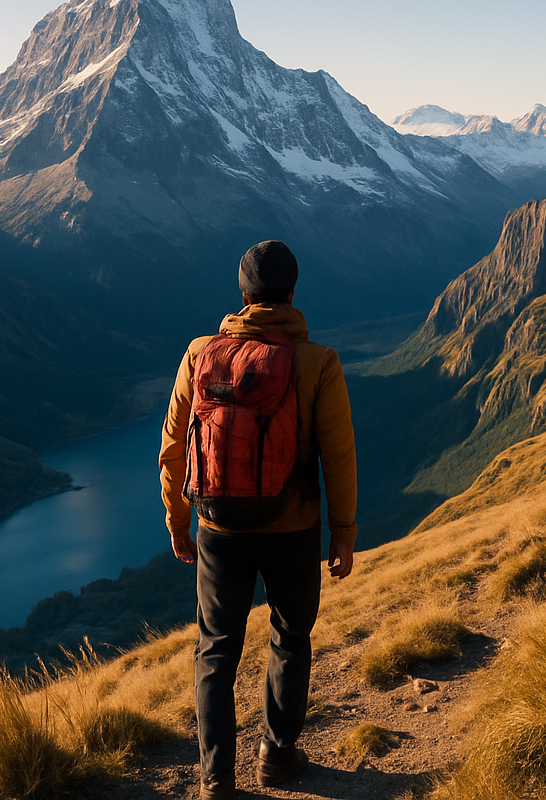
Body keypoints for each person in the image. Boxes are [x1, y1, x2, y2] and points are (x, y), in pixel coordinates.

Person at [159, 240, 357, 800]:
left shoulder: (199, 353)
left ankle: (216, 778)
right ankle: (277, 754)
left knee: (216, 646)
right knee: (290, 636)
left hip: (217, 527)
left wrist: (178, 519)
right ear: (292, 294)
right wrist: (342, 531)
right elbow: (339, 455)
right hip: (291, 530)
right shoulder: (317, 362)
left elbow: (173, 445)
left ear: (243, 297)